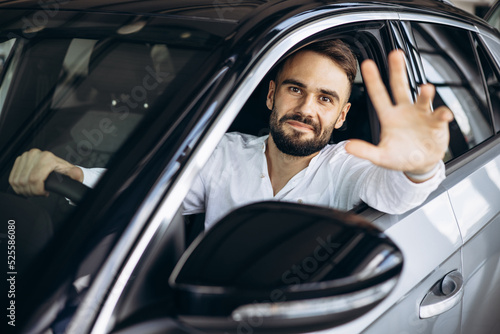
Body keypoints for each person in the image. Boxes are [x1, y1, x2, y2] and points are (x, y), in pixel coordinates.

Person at [9, 40, 453, 229]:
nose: (305, 109)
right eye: (296, 90)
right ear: (272, 96)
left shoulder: (349, 167)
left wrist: (421, 166)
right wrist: (70, 172)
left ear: (341, 116)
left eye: (325, 99)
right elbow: (147, 189)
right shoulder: (225, 155)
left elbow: (397, 195)